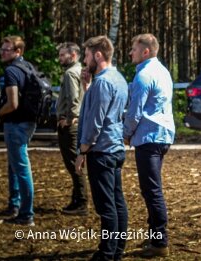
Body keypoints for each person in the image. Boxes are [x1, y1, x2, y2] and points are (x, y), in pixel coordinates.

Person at [75, 36, 129, 261]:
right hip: (114, 148)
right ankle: (117, 249)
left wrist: (82, 151)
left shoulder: (103, 83)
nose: (85, 60)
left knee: (106, 207)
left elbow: (94, 121)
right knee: (117, 202)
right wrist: (87, 86)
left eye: (87, 56)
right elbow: (102, 111)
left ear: (98, 55)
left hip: (102, 151)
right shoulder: (118, 78)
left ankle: (107, 253)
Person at [124, 34, 175, 258]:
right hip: (163, 135)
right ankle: (155, 236)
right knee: (152, 188)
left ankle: (159, 241)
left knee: (152, 190)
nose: (130, 53)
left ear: (145, 51)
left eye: (134, 49)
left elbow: (135, 112)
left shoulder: (143, 76)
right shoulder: (163, 71)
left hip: (149, 137)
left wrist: (126, 134)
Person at [0, 36, 37, 226]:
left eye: (7, 50)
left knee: (21, 167)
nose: (2, 52)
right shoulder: (27, 67)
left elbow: (12, 104)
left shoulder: (12, 71)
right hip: (28, 122)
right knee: (15, 165)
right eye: (1, 49)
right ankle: (15, 204)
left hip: (16, 124)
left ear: (18, 52)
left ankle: (26, 214)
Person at [56, 42, 88, 215]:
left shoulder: (70, 73)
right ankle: (76, 199)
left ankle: (81, 202)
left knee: (74, 164)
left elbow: (74, 99)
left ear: (73, 55)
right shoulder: (82, 71)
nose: (60, 58)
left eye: (63, 55)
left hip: (71, 125)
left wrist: (69, 119)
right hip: (79, 123)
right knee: (76, 163)